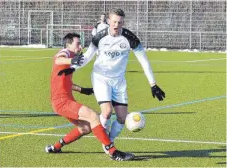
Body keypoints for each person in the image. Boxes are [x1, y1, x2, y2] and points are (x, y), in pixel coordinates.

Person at [69, 8, 165, 154]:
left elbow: (144, 61)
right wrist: (71, 68)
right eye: (114, 22)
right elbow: (87, 56)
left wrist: (153, 84)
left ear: (123, 23)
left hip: (119, 81)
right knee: (107, 112)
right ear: (108, 21)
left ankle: (110, 141)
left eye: (119, 22)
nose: (116, 25)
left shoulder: (130, 38)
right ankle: (106, 142)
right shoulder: (100, 36)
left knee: (121, 118)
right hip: (101, 78)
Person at [45, 32, 134, 161]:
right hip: (62, 102)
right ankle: (112, 151)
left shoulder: (69, 59)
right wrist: (72, 60)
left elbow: (65, 82)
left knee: (85, 128)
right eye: (78, 44)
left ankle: (56, 147)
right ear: (68, 44)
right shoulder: (65, 53)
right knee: (93, 116)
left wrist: (82, 90)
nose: (80, 47)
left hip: (65, 101)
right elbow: (58, 59)